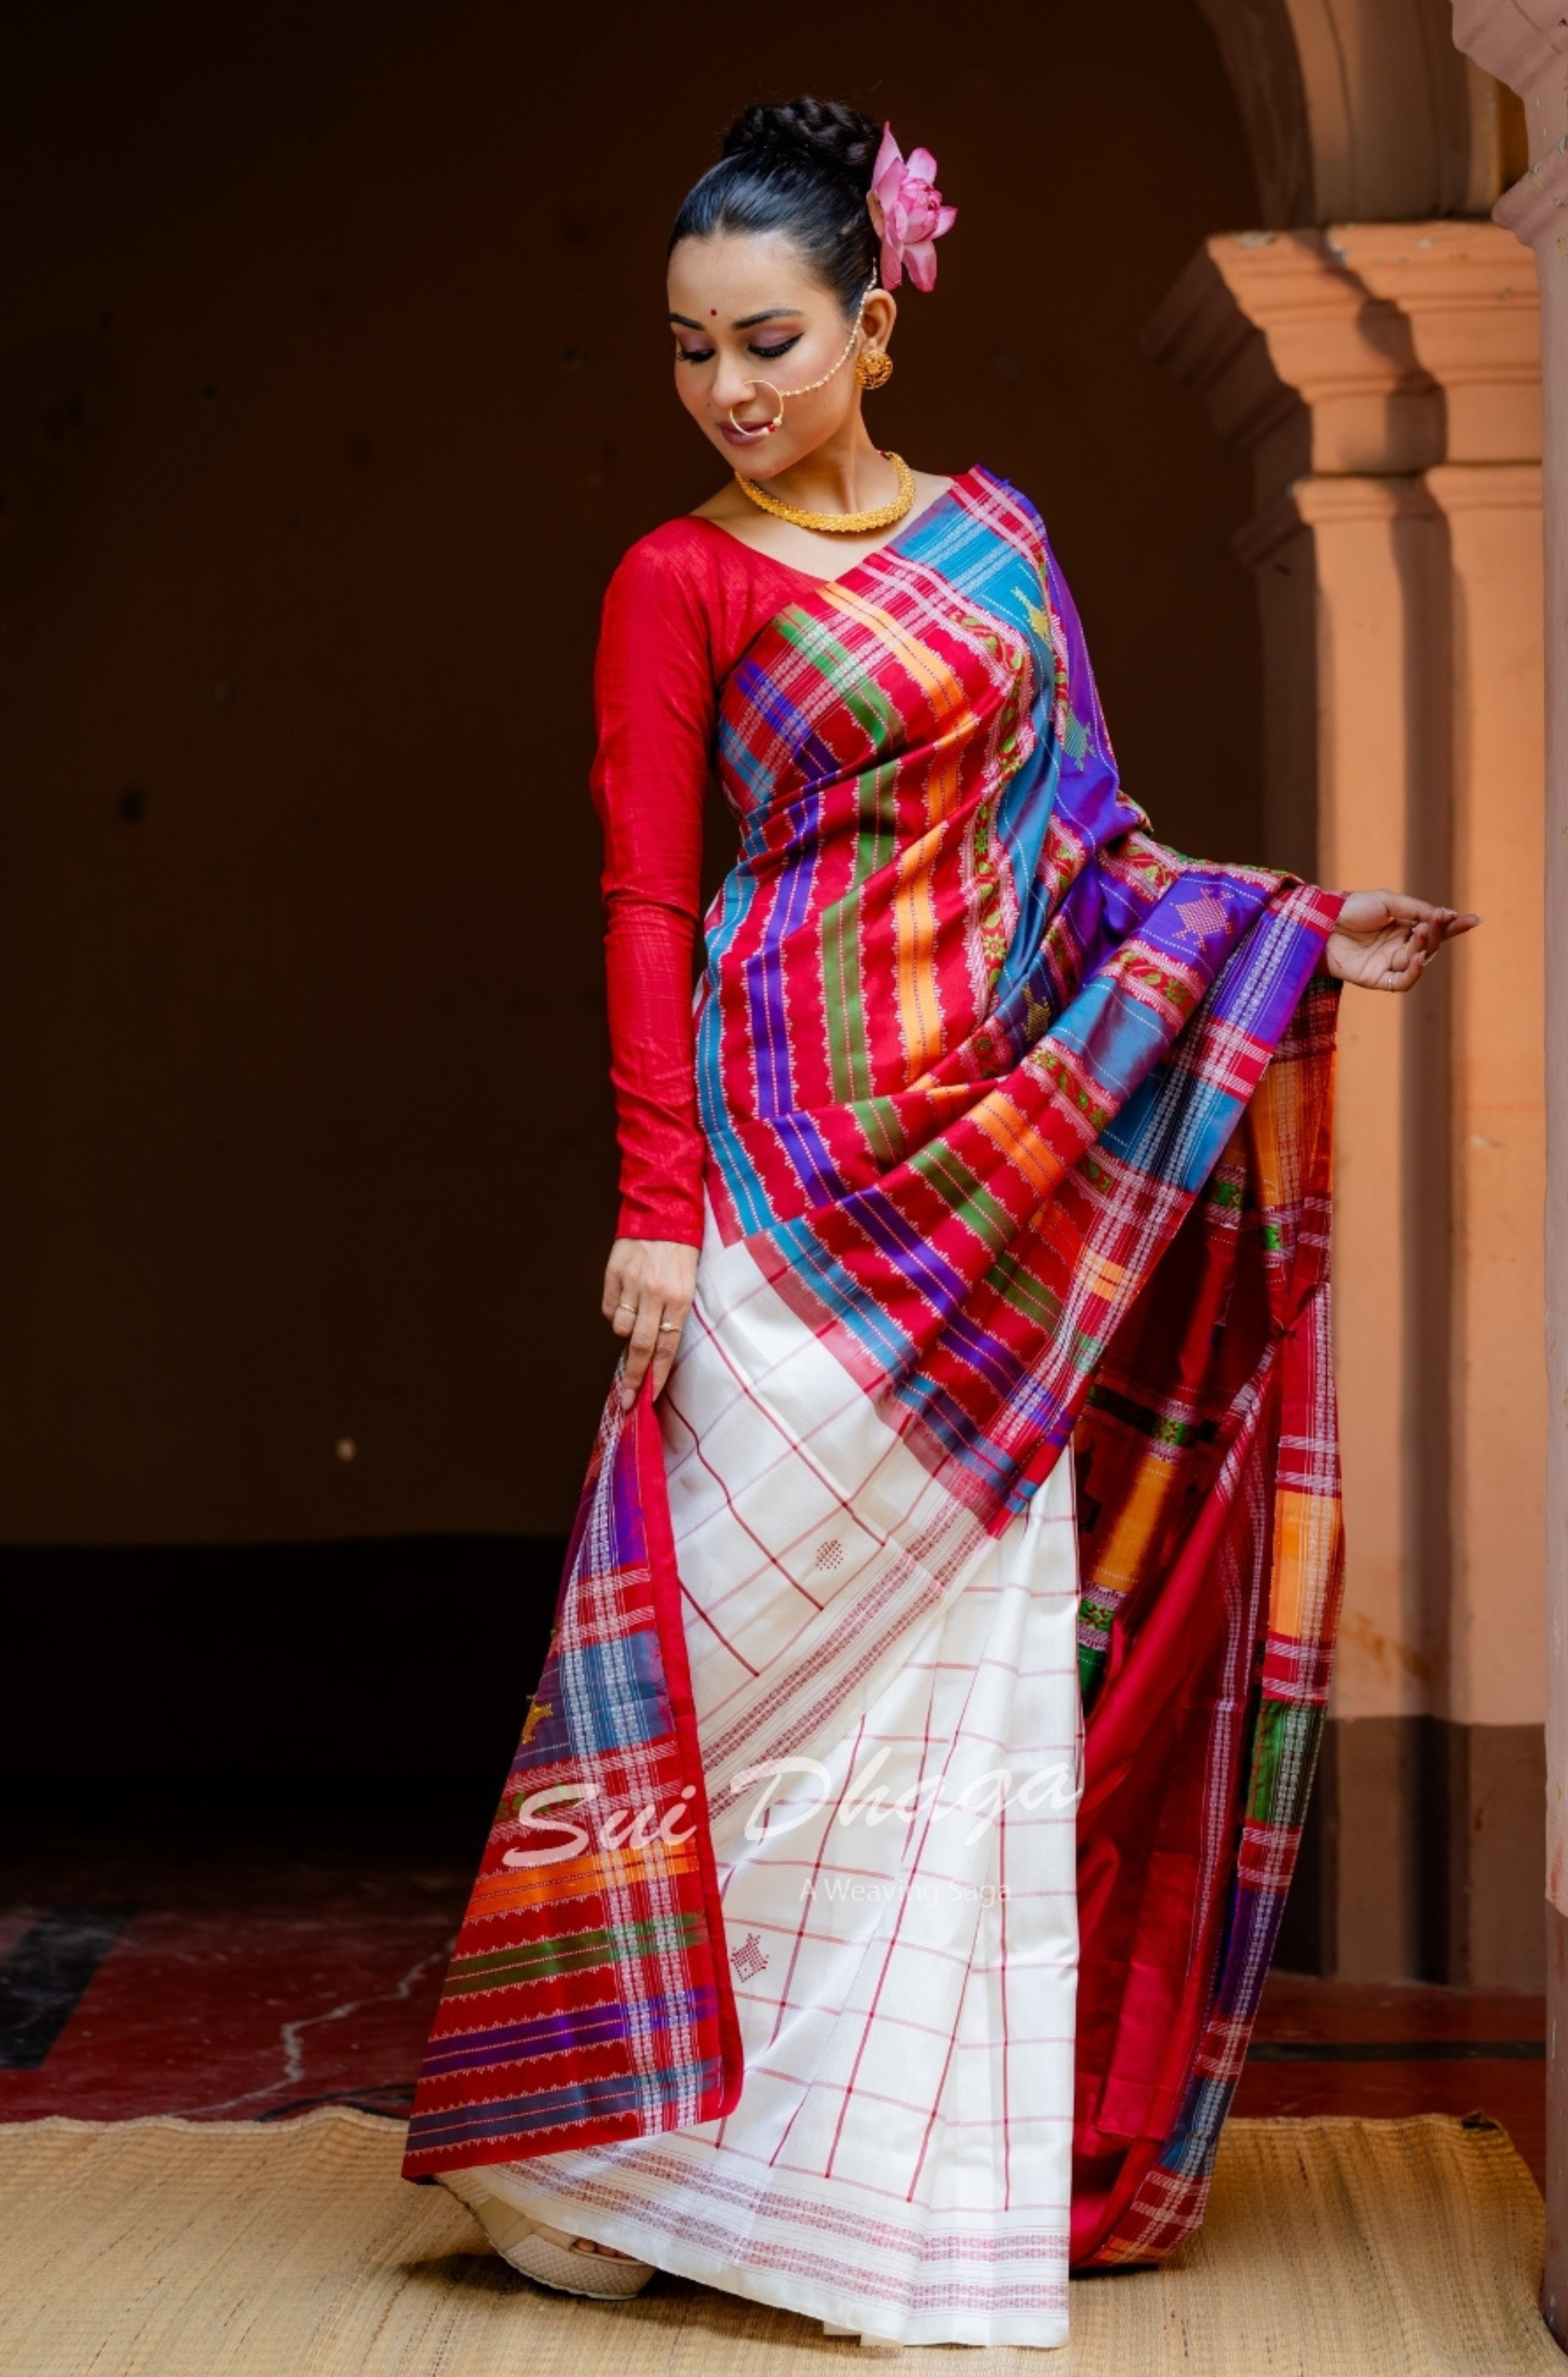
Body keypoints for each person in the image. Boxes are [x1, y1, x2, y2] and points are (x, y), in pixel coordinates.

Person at [402, 99, 1476, 2349]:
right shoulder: (676, 581)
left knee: (944, 1699)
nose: (730, 389)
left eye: (771, 340)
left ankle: (858, 2182)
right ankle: (578, 2141)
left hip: (993, 1182)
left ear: (876, 322)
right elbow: (646, 901)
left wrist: (1297, 930)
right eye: (690, 349)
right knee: (714, 1662)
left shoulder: (998, 545)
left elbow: (1095, 848)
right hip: (776, 1179)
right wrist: (658, 1205)